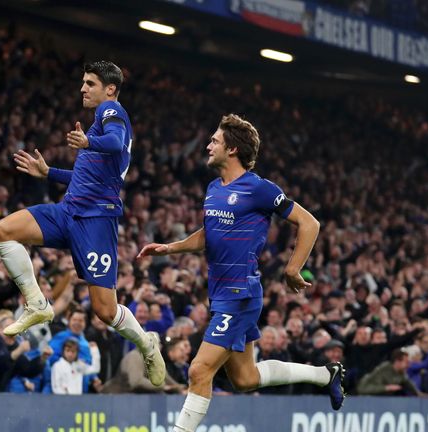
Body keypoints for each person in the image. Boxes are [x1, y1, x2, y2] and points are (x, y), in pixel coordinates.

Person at [137, 114, 345, 432]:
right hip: (220, 294)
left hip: (240, 293)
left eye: (215, 141)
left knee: (199, 370)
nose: (208, 145)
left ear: (232, 149)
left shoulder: (258, 188)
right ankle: (325, 374)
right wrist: (171, 248)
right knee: (245, 379)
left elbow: (309, 223)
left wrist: (293, 268)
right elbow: (210, 232)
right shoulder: (213, 188)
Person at [0, 60, 165, 385]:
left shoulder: (111, 112)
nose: (82, 89)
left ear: (109, 89)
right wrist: (49, 173)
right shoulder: (99, 125)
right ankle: (38, 303)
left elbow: (113, 140)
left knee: (105, 311)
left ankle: (147, 344)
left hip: (96, 221)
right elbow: (85, 177)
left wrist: (88, 142)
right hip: (68, 210)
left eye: (90, 83)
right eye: (83, 82)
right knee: (2, 231)